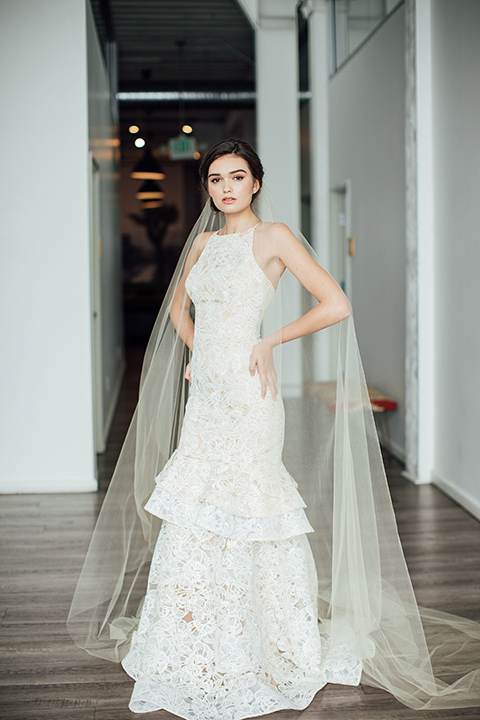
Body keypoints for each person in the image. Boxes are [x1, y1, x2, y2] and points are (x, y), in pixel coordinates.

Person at [68, 139, 480, 718]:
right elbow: (177, 310)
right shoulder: (205, 243)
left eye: (237, 177)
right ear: (207, 188)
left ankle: (265, 641)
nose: (226, 187)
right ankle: (197, 635)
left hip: (250, 397)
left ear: (255, 183)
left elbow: (336, 303)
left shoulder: (275, 237)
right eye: (215, 179)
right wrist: (199, 352)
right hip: (208, 397)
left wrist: (268, 340)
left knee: (249, 503)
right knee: (200, 504)